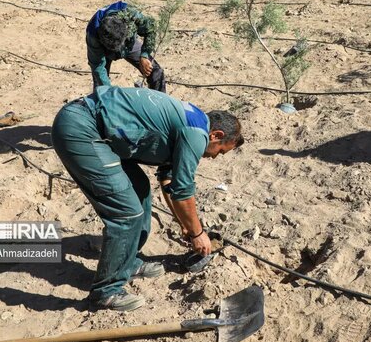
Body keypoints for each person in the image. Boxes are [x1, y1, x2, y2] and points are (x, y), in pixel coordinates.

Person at [52, 86, 243, 311]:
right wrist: (198, 234)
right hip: (83, 130)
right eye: (220, 151)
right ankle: (106, 292)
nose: (213, 157)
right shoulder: (196, 134)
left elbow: (169, 181)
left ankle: (127, 262)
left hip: (102, 131)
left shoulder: (194, 121)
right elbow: (183, 191)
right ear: (216, 135)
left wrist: (184, 224)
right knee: (126, 213)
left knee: (140, 189)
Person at [86, 1, 167, 93]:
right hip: (104, 51)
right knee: (101, 88)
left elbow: (150, 29)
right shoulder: (93, 35)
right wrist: (109, 92)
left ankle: (160, 102)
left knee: (156, 72)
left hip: (129, 44)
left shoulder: (132, 16)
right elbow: (98, 67)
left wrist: (144, 55)